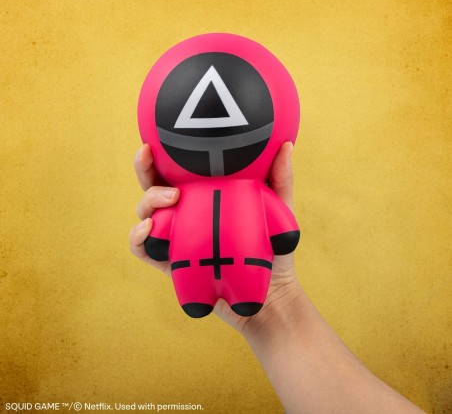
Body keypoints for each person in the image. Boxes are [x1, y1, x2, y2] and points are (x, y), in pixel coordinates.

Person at [129, 143, 424, 414]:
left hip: (245, 271)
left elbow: (285, 233)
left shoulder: (254, 191)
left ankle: (228, 298)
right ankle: (200, 297)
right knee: (197, 296)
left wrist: (276, 296)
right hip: (198, 267)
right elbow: (287, 234)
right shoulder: (236, 193)